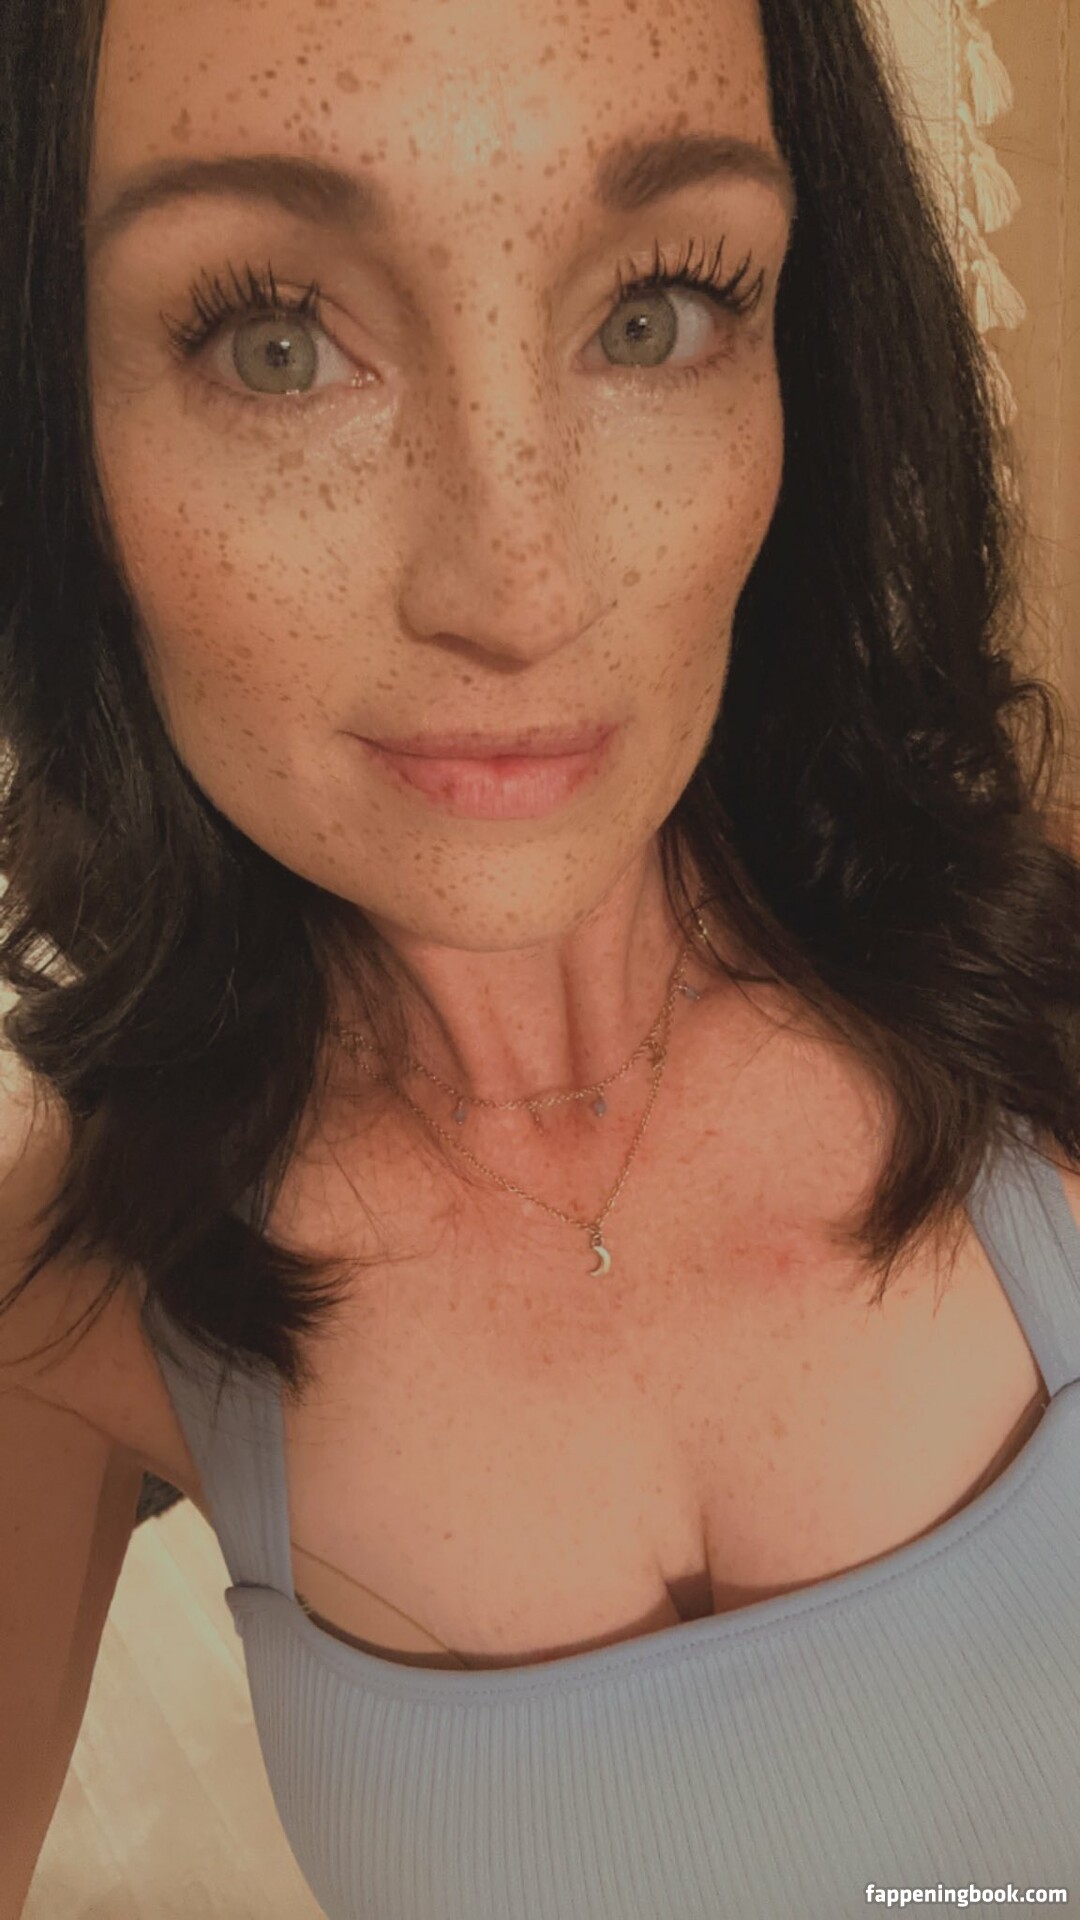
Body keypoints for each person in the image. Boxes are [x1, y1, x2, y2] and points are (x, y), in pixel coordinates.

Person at [2, 0, 1079, 1913]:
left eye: (654, 312)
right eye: (273, 339)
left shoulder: (1042, 1011)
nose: (523, 587)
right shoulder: (72, 1280)